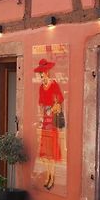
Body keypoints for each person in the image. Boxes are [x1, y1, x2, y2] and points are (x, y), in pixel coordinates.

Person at [34, 58, 64, 190]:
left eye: (43, 73)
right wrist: (39, 117)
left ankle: (52, 176)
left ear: (47, 72)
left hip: (52, 121)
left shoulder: (54, 84)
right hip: (44, 121)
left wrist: (52, 108)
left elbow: (60, 100)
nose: (41, 75)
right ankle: (47, 175)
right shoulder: (41, 87)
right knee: (45, 153)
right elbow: (40, 104)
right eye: (40, 73)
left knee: (51, 153)